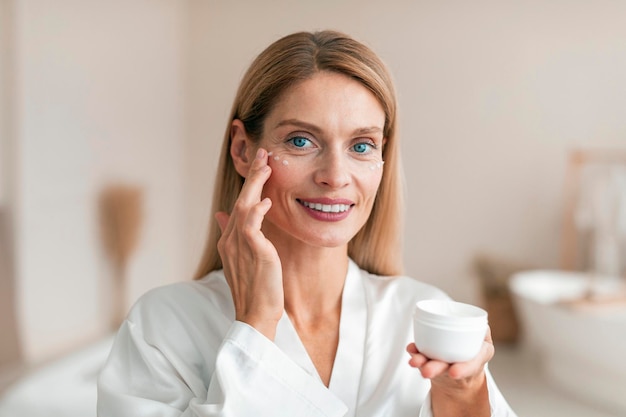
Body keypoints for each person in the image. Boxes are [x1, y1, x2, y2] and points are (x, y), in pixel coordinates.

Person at [97, 30, 516, 417]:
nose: (335, 175)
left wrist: (463, 394)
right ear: (243, 150)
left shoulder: (418, 315)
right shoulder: (164, 326)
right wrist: (255, 327)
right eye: (301, 140)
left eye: (361, 145)